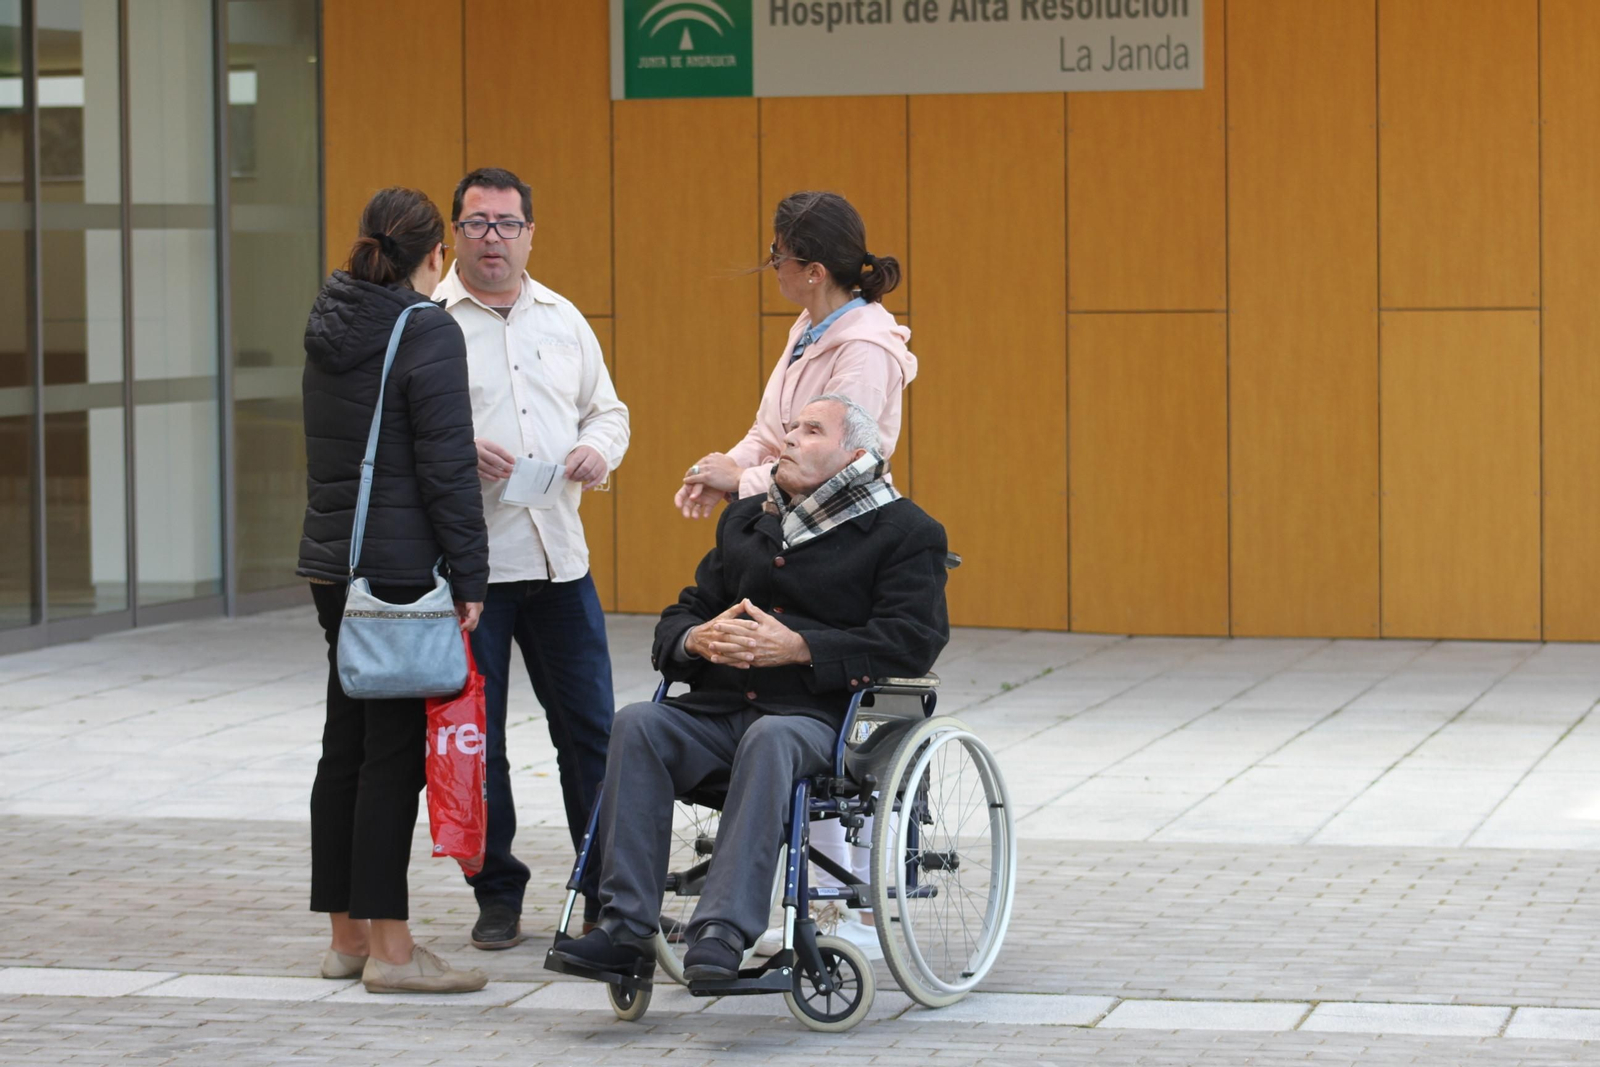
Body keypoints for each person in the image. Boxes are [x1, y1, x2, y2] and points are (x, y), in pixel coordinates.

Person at [554, 395, 949, 980]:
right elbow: (685, 611)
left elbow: (913, 640)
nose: (789, 438)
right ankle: (626, 928)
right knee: (639, 723)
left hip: (822, 722)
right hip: (720, 711)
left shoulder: (904, 531)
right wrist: (696, 640)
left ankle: (723, 929)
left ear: (856, 454)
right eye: (790, 427)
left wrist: (802, 647)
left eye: (811, 430)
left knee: (771, 738)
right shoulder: (748, 521)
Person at [674, 190, 915, 956]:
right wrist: (726, 469)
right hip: (785, 525)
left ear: (811, 268)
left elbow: (840, 457)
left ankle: (847, 905)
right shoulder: (808, 329)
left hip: (841, 539)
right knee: (763, 691)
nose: (770, 267)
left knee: (812, 699)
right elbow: (773, 434)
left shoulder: (867, 348)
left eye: (777, 255)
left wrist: (742, 481)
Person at [433, 167, 630, 951]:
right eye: (477, 224)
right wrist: (453, 452)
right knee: (480, 740)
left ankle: (604, 887)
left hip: (559, 565)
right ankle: (497, 890)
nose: (492, 239)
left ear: (530, 234)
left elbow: (608, 409)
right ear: (455, 234)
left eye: (507, 224)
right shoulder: (431, 323)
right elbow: (404, 436)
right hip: (474, 574)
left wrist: (594, 449)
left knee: (591, 731)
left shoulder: (563, 317)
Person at [298, 186, 489, 994]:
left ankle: (347, 937)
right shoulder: (428, 327)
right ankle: (394, 951)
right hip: (401, 574)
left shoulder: (330, 318)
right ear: (434, 256)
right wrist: (471, 573)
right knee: (390, 757)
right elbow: (447, 466)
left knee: (344, 746)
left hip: (334, 567)